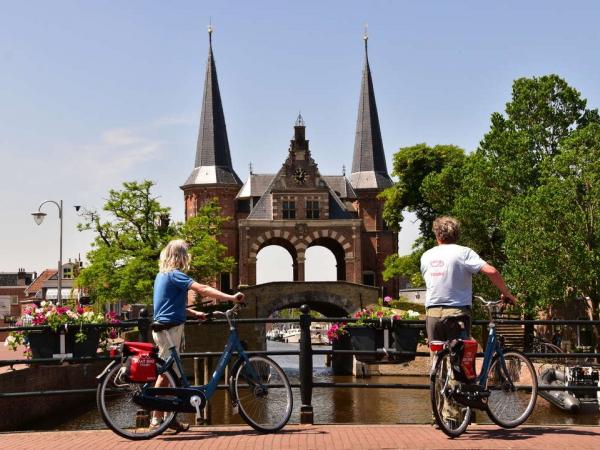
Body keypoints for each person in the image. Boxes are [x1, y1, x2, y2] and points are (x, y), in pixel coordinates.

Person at [151, 239, 245, 431]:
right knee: (167, 375)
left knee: (173, 375)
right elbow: (202, 288)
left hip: (166, 327)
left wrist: (194, 313)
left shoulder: (162, 275)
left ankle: (170, 418)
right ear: (180, 256)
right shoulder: (175, 275)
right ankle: (155, 419)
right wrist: (231, 297)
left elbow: (167, 305)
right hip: (170, 330)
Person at [421, 216, 517, 345]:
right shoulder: (464, 252)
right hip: (457, 313)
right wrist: (507, 294)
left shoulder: (426, 256)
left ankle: (435, 365)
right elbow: (492, 271)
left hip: (432, 313)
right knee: (460, 359)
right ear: (457, 235)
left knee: (436, 356)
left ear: (437, 235)